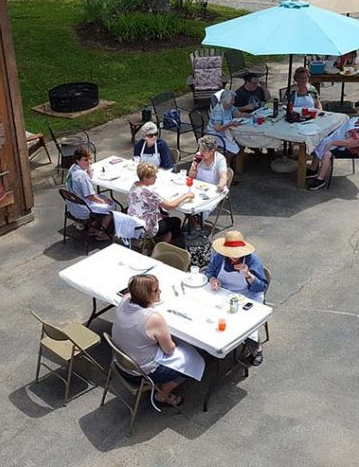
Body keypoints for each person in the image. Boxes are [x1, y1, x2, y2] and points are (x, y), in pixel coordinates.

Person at [112, 274, 204, 407]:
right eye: (155, 291)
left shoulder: (125, 299)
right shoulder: (153, 318)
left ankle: (161, 385)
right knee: (195, 360)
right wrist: (173, 341)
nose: (160, 292)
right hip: (139, 374)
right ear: (145, 295)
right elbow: (170, 350)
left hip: (120, 362)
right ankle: (163, 394)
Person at [206, 231, 268, 366]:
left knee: (246, 322)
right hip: (225, 292)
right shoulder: (219, 258)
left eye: (236, 254)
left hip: (248, 294)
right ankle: (212, 342)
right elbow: (209, 271)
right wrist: (212, 279)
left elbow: (261, 286)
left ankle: (256, 348)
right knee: (209, 312)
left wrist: (248, 275)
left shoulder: (252, 260)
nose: (233, 258)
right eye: (230, 254)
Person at [307, 106, 359, 191]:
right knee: (321, 140)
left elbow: (350, 143)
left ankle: (320, 179)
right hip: (344, 140)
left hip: (353, 149)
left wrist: (332, 143)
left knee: (328, 152)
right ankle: (313, 169)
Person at [127, 161, 194, 245]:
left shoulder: (134, 186)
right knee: (176, 222)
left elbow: (145, 206)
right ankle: (159, 247)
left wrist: (159, 215)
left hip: (133, 222)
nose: (156, 178)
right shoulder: (148, 192)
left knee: (164, 214)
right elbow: (170, 206)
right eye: (153, 176)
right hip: (146, 227)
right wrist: (185, 196)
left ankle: (154, 242)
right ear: (145, 178)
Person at [65, 145, 116, 238]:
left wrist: (88, 167)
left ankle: (93, 227)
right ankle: (100, 233)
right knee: (112, 205)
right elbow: (91, 196)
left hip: (71, 205)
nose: (89, 162)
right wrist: (104, 202)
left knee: (101, 198)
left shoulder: (72, 168)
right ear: (77, 160)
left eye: (90, 159)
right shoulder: (81, 175)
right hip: (81, 209)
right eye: (85, 160)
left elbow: (90, 177)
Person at [207, 89, 248, 162]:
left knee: (241, 141)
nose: (233, 102)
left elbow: (238, 115)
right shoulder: (219, 110)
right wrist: (230, 124)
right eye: (232, 100)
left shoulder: (230, 107)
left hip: (226, 132)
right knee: (235, 147)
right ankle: (225, 163)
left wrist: (252, 116)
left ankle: (232, 161)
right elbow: (217, 128)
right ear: (227, 101)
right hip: (216, 134)